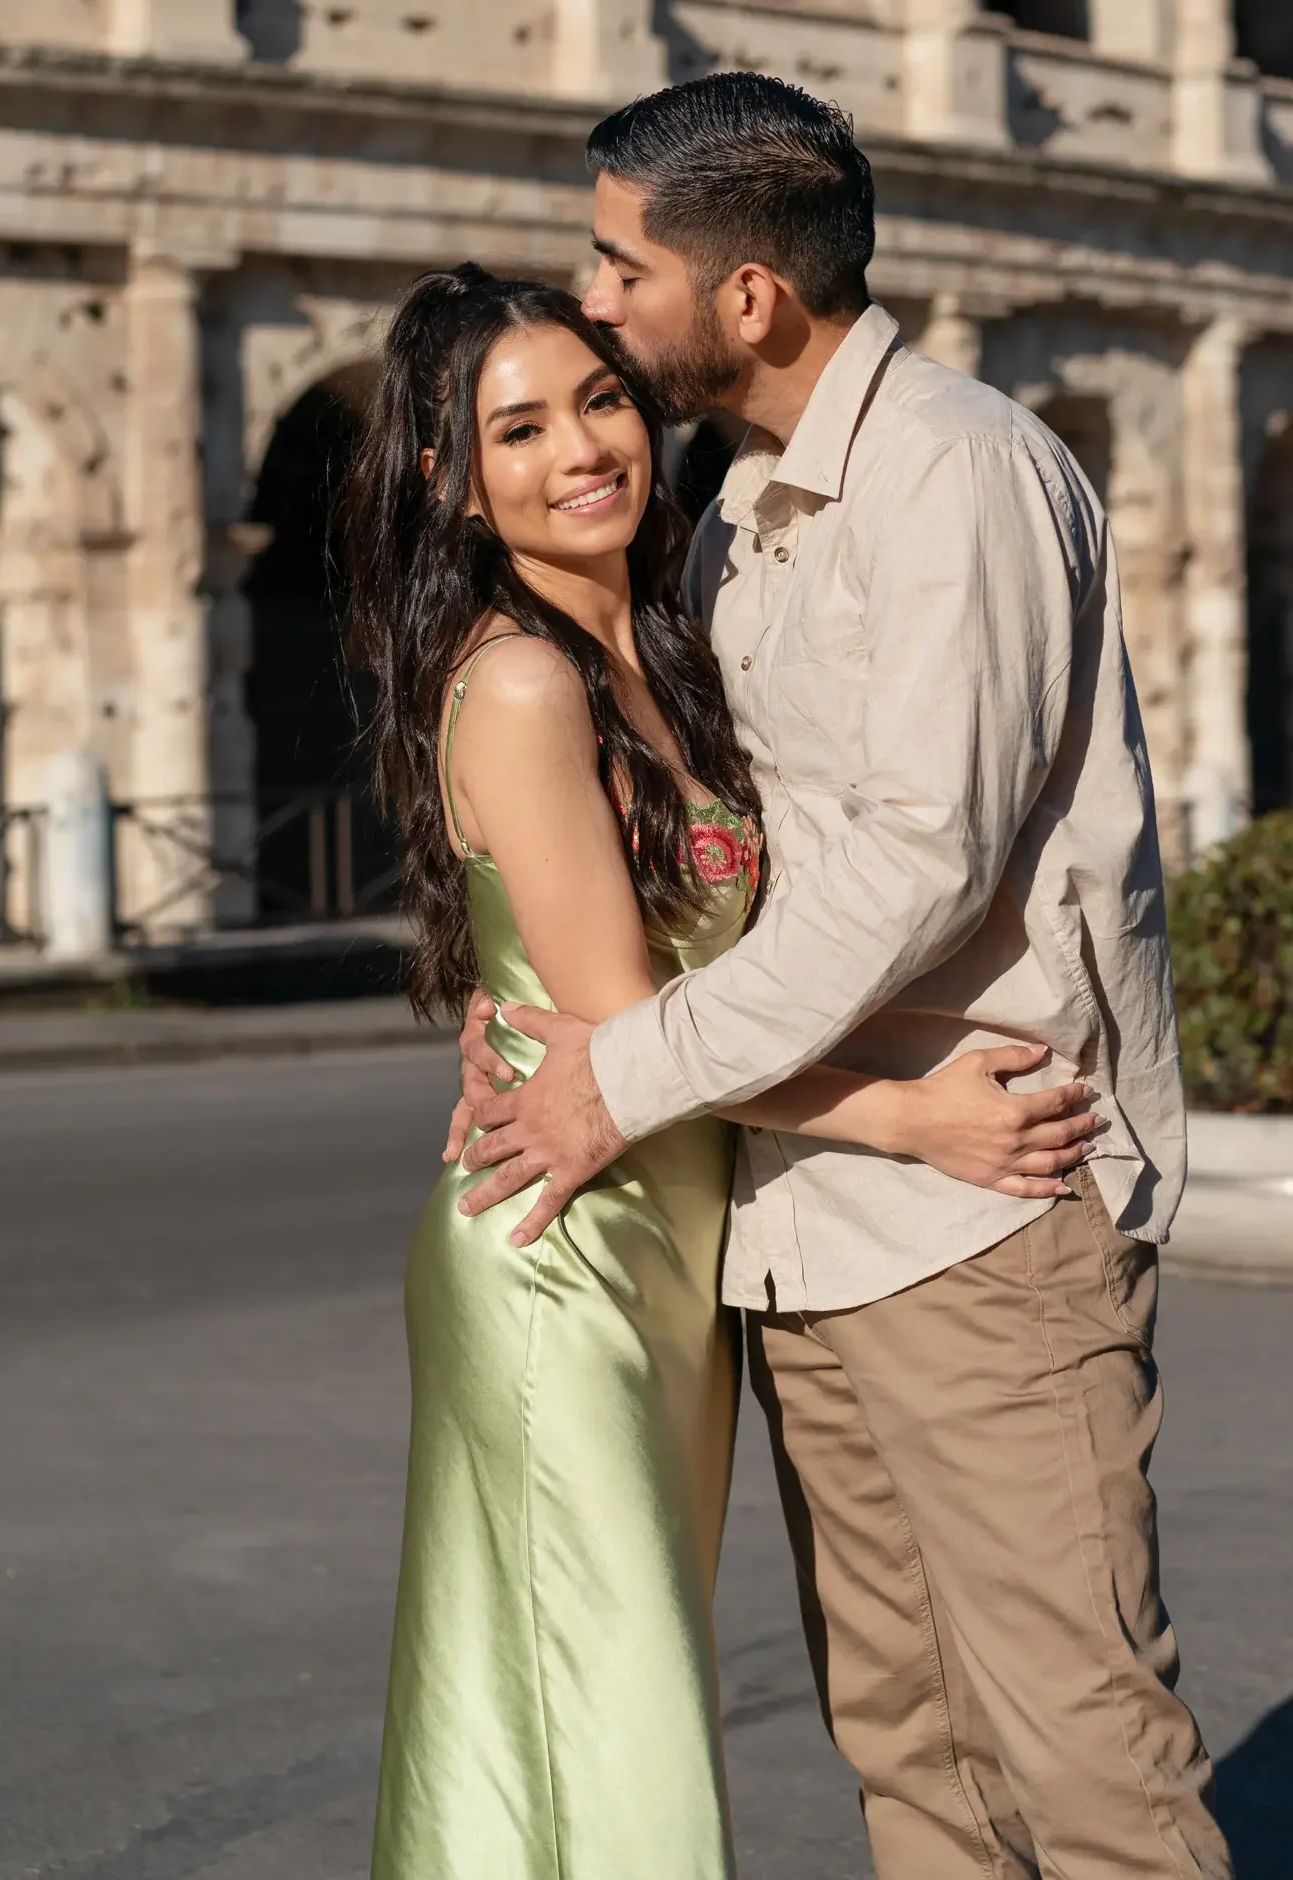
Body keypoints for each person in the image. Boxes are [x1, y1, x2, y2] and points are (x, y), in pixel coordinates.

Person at [453, 74, 1234, 1880]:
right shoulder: (736, 498)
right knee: (910, 1744)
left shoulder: (954, 471)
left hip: (985, 1204)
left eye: (617, 267)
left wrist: (619, 1068)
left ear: (747, 300)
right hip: (811, 1206)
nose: (597, 304)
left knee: (1079, 1747)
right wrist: (555, 1008)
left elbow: (911, 860)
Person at [340, 264, 1104, 1880]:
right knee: (602, 1725)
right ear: (447, 480)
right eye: (519, 429)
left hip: (676, 1242)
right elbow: (631, 1028)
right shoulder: (527, 682)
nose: (580, 452)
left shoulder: (661, 634)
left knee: (576, 1706)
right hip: (572, 1257)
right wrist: (908, 1116)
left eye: (599, 398)